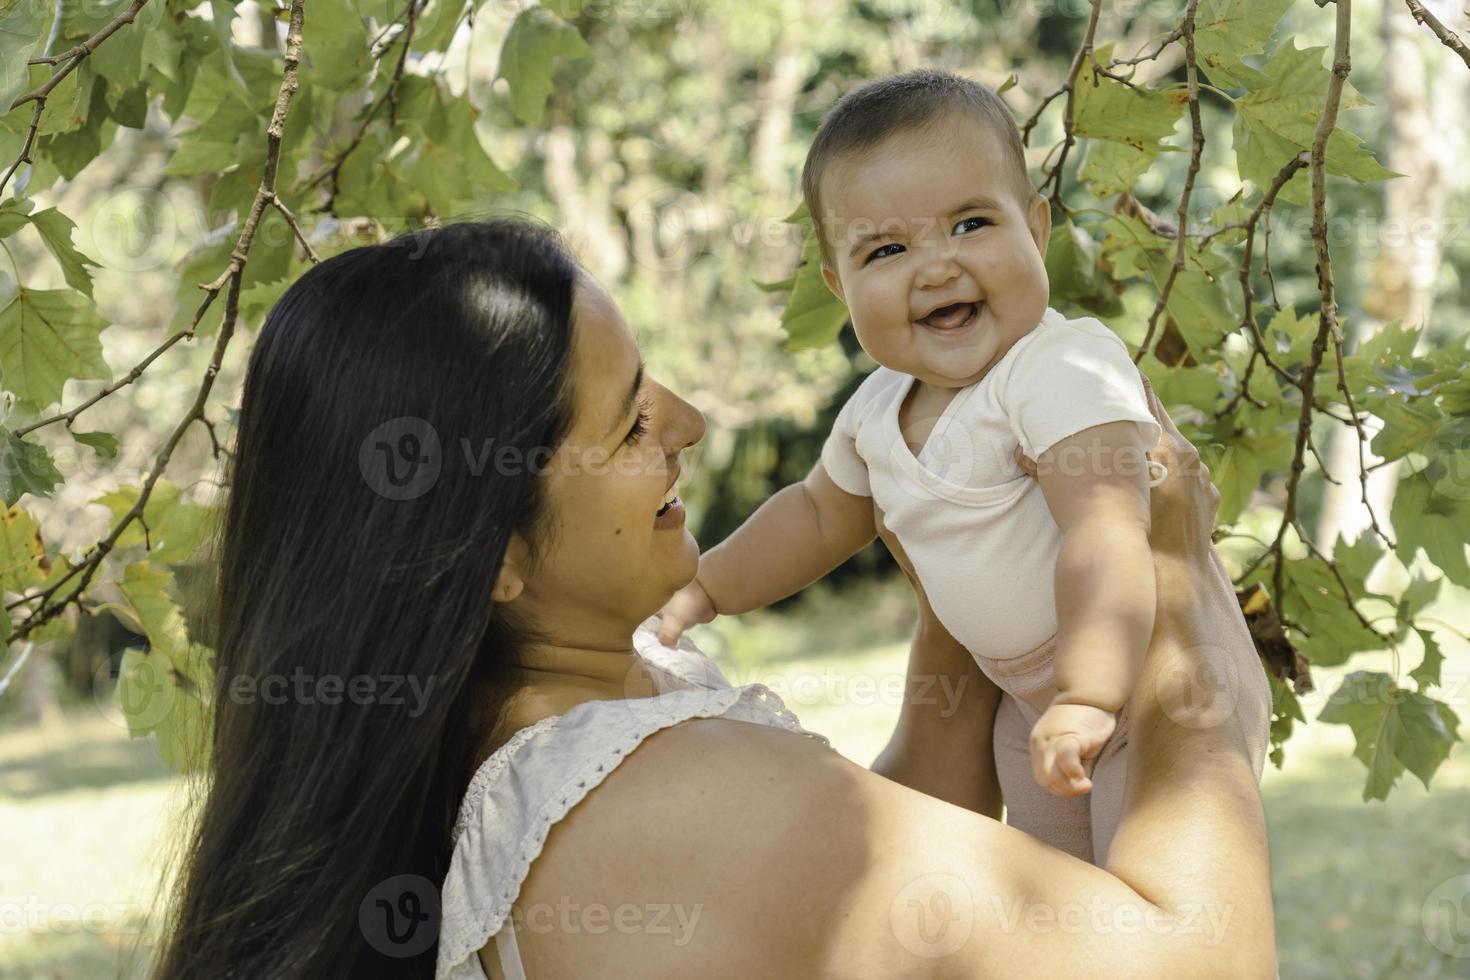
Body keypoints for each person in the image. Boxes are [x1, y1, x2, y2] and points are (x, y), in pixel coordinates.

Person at [149, 218, 1275, 980]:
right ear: (491, 560)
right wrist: (1163, 581)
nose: (687, 424)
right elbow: (1203, 959)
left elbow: (842, 894)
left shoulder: (546, 734)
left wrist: (969, 570)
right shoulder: (667, 797)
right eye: (632, 420)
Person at [656, 69, 1270, 865]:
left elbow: (1105, 533)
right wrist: (708, 588)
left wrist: (1089, 695)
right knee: (1055, 893)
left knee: (1147, 879)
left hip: (1147, 670)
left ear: (1037, 227)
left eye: (971, 224)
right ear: (839, 286)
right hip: (1025, 695)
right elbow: (814, 516)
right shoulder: (878, 409)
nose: (938, 266)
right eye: (888, 249)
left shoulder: (1059, 368)